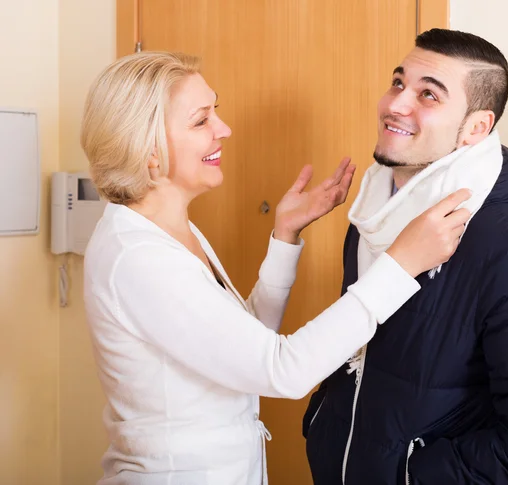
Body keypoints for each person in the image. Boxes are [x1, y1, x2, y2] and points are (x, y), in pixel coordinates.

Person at [80, 51, 471, 485]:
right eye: (201, 120)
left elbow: (244, 344)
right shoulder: (138, 259)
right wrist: (401, 265)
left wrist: (285, 234)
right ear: (149, 151)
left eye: (217, 111)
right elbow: (282, 370)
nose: (223, 129)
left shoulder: (169, 230)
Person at [304, 28, 508, 485]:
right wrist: (323, 421)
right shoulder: (376, 212)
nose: (396, 104)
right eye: (398, 82)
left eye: (428, 95)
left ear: (476, 127)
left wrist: (411, 477)